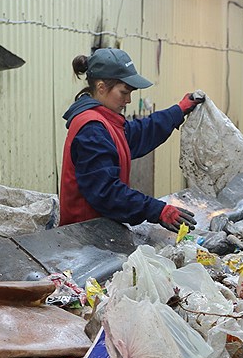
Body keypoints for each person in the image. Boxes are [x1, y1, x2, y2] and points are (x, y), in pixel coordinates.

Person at [60, 48, 203, 231]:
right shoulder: (92, 129)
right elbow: (107, 192)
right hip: (84, 236)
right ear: (101, 87)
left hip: (99, 230)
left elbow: (137, 133)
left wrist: (178, 110)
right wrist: (157, 210)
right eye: (124, 92)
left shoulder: (106, 121)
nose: (128, 100)